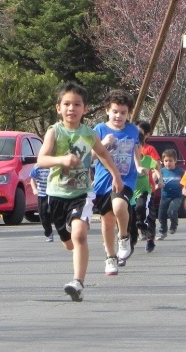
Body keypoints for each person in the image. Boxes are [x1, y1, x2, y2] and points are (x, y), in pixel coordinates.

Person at [38, 82, 123, 302]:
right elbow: (41, 159)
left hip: (82, 194)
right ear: (58, 108)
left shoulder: (89, 133)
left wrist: (115, 174)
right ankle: (74, 252)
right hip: (56, 194)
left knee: (79, 235)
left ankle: (77, 282)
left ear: (85, 109)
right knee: (68, 243)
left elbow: (103, 152)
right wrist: (62, 159)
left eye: (77, 104)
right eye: (66, 104)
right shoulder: (54, 132)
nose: (71, 108)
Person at [93, 89, 145, 274]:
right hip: (103, 181)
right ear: (107, 110)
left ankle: (123, 236)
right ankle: (110, 257)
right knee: (107, 221)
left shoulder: (132, 130)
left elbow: (136, 150)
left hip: (126, 178)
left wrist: (138, 166)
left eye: (123, 112)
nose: (119, 116)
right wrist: (104, 144)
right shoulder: (99, 130)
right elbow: (89, 157)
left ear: (128, 113)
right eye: (115, 111)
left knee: (119, 206)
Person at [132, 132, 162, 253]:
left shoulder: (148, 160)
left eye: (137, 147)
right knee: (130, 215)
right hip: (131, 192)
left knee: (146, 212)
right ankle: (131, 237)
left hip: (145, 191)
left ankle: (150, 239)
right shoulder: (128, 161)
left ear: (141, 147)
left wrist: (160, 179)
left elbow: (157, 167)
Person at [157, 149, 184, 240]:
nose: (168, 163)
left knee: (172, 211)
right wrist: (158, 185)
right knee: (161, 215)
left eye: (171, 161)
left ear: (175, 161)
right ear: (162, 161)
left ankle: (173, 225)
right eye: (166, 161)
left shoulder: (180, 171)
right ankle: (163, 231)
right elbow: (156, 182)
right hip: (165, 196)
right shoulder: (161, 171)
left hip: (177, 196)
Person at [30, 163, 54, 242]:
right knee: (43, 214)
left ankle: (65, 231)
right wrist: (34, 189)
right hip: (42, 194)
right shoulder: (37, 167)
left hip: (54, 193)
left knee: (56, 213)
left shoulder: (54, 165)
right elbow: (32, 179)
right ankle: (49, 233)